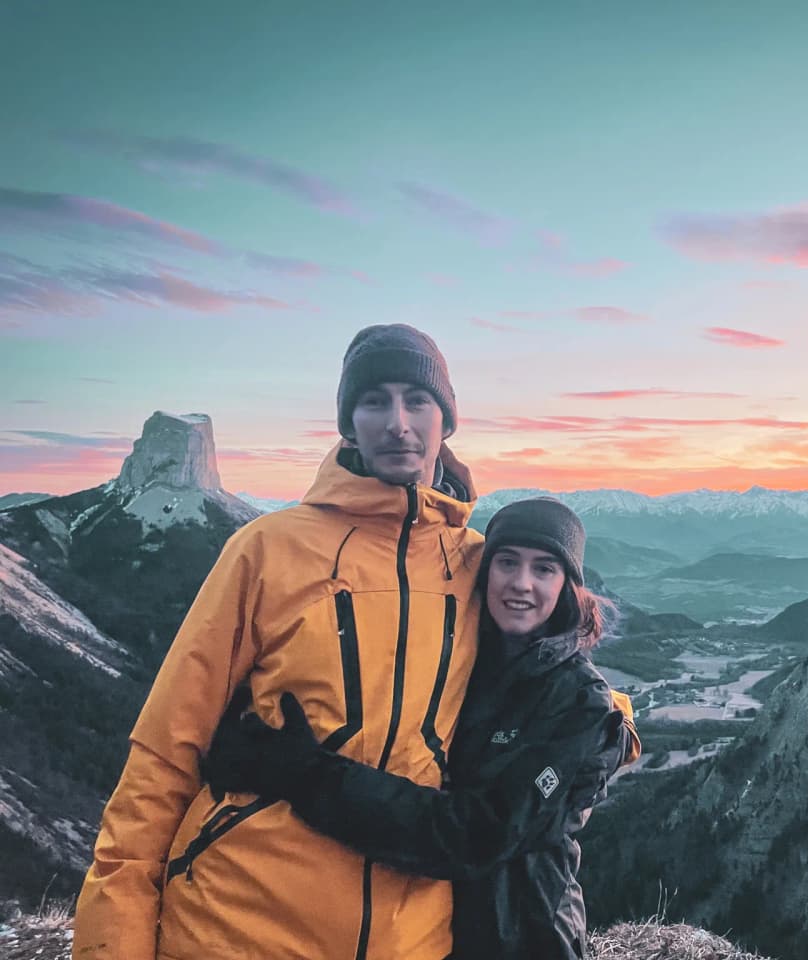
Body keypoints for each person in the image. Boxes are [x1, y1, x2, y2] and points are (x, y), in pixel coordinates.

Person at [72, 323, 601, 960]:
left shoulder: (474, 565)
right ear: (348, 420)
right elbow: (165, 749)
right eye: (374, 400)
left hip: (413, 939)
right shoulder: (269, 550)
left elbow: (544, 661)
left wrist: (610, 723)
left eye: (418, 400)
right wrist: (114, 938)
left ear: (446, 421)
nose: (397, 422)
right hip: (240, 926)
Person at [202, 496, 637, 959]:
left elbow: (477, 833)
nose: (521, 584)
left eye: (544, 568)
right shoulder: (459, 665)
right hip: (426, 933)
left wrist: (306, 775)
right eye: (506, 562)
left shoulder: (579, 703)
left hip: (522, 937)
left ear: (569, 587)